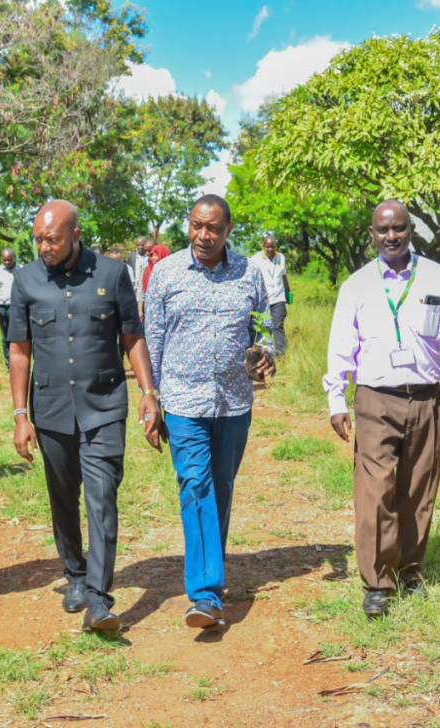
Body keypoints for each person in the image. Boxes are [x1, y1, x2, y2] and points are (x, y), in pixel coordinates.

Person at [323, 200, 440, 618]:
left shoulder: (437, 278)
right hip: (374, 399)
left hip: (424, 399)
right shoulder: (358, 285)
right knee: (375, 491)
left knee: (419, 490)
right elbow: (340, 348)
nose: (391, 237)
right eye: (382, 230)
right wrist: (336, 398)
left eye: (398, 228)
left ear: (411, 229)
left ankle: (410, 570)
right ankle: (378, 583)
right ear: (371, 234)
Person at [9, 200, 163, 633]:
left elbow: (132, 336)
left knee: (102, 497)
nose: (44, 247)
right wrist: (20, 414)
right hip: (51, 408)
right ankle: (74, 573)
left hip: (104, 404)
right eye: (38, 238)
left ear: (75, 235)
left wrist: (148, 393)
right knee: (63, 499)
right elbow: (19, 350)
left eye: (52, 239)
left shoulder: (113, 274)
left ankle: (98, 597)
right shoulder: (25, 280)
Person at [145, 194, 275, 630]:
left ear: (228, 230)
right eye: (197, 225)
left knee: (220, 487)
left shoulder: (249, 273)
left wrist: (268, 354)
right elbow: (154, 339)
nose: (204, 235)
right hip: (182, 401)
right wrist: (152, 397)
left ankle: (209, 573)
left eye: (214, 228)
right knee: (195, 486)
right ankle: (205, 593)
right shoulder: (165, 274)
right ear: (189, 225)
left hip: (234, 402)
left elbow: (265, 329)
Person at [249, 234, 292, 356]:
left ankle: (280, 354)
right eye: (267, 247)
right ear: (263, 246)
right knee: (264, 327)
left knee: (278, 324)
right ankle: (263, 353)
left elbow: (283, 276)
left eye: (272, 247)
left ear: (275, 246)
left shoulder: (281, 258)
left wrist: (288, 293)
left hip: (278, 298)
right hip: (263, 300)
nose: (270, 250)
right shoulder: (255, 259)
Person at [137, 243, 170, 320]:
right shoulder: (146, 271)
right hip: (150, 311)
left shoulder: (171, 272)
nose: (153, 258)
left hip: (167, 312)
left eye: (156, 255)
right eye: (151, 255)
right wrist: (140, 311)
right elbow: (141, 292)